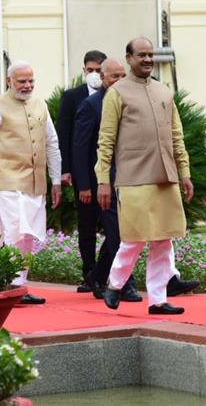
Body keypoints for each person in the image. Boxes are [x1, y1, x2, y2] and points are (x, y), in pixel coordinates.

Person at [97, 37, 198, 315]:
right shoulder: (117, 93)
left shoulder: (164, 91)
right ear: (129, 58)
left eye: (151, 55)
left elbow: (177, 136)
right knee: (134, 238)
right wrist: (103, 180)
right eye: (141, 55)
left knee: (164, 240)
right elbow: (105, 141)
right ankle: (115, 283)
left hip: (166, 176)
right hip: (133, 177)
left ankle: (158, 300)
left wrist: (185, 172)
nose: (147, 59)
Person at [0, 61, 62, 305]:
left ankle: (19, 286)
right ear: (9, 81)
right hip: (7, 180)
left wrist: (56, 180)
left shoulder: (40, 104)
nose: (27, 85)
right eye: (22, 81)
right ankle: (8, 285)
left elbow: (51, 142)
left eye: (31, 80)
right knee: (13, 232)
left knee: (28, 236)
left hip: (35, 183)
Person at [72, 58, 140, 302]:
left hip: (129, 178)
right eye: (114, 77)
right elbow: (80, 149)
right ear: (102, 78)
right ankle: (125, 284)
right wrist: (85, 185)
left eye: (123, 76)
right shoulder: (91, 105)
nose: (120, 81)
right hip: (102, 182)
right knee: (119, 233)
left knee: (122, 232)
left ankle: (98, 275)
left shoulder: (130, 101)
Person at [56, 49, 107, 292]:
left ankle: (102, 273)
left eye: (99, 70)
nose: (95, 74)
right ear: (84, 70)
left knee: (111, 225)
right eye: (91, 70)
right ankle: (88, 272)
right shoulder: (72, 97)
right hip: (83, 170)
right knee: (86, 223)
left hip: (110, 171)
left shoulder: (115, 93)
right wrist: (65, 170)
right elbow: (64, 135)